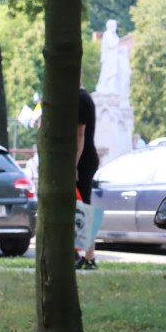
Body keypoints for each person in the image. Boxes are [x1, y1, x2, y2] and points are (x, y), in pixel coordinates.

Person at [77, 85, 100, 269]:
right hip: (84, 159)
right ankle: (85, 255)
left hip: (83, 160)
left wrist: (73, 165)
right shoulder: (82, 98)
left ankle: (89, 257)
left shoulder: (81, 99)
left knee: (84, 207)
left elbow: (80, 134)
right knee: (82, 206)